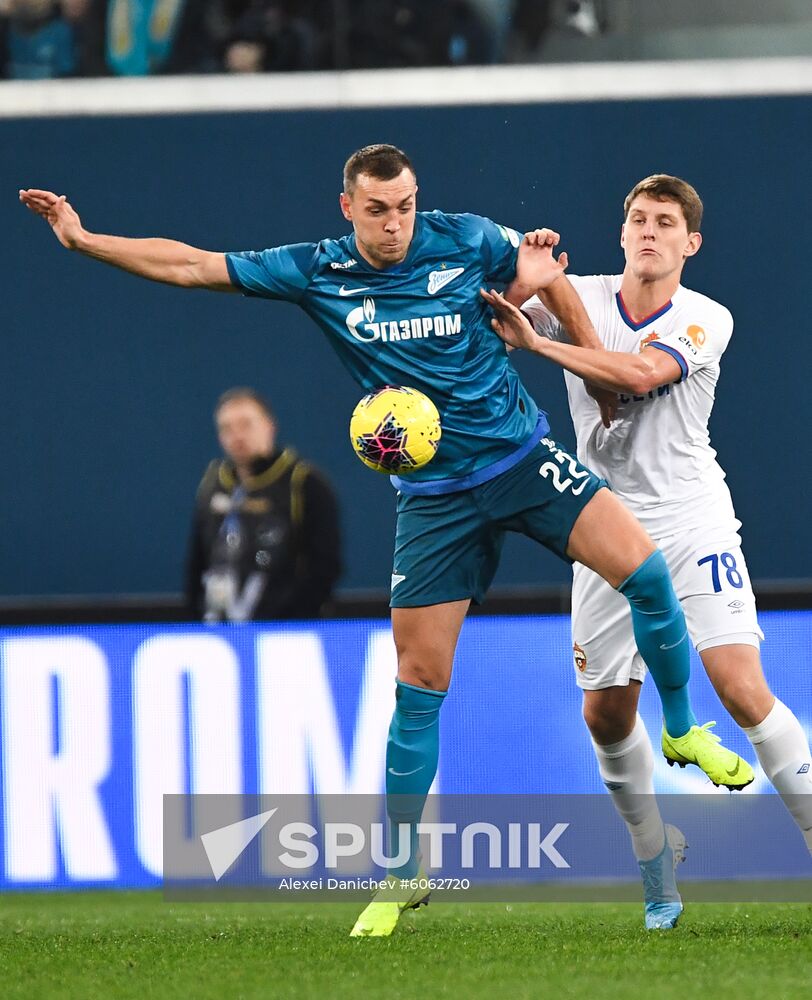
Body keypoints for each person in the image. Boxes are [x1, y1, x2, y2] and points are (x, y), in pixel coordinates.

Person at [20, 146, 750, 938]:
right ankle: (402, 873)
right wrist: (84, 240)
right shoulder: (317, 272)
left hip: (522, 460)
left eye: (405, 205)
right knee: (418, 683)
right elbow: (196, 265)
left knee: (645, 571)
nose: (396, 222)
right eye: (378, 209)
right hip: (434, 500)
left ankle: (679, 725)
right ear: (347, 208)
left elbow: (548, 278)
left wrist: (599, 380)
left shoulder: (468, 238)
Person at [484, 173, 812, 929]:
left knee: (738, 683)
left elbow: (638, 374)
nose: (649, 232)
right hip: (602, 521)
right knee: (604, 716)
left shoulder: (706, 318)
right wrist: (526, 265)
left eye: (665, 222)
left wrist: (539, 343)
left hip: (692, 516)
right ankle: (655, 855)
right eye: (638, 219)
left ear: (690, 243)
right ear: (622, 232)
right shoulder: (583, 296)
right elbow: (494, 293)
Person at [186, 386, 342, 622]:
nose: (237, 436)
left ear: (269, 426)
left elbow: (325, 563)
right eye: (227, 428)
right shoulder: (212, 481)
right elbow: (197, 558)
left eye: (246, 424)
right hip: (219, 627)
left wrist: (296, 619)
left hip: (285, 631)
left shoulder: (303, 482)